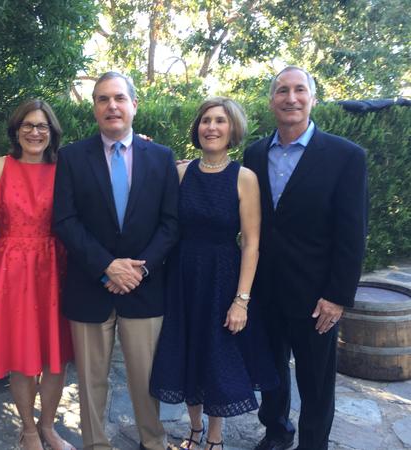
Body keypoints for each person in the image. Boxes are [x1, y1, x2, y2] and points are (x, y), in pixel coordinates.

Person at [243, 66, 368, 450]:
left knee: (315, 381)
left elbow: (352, 232)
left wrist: (338, 295)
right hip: (265, 290)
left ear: (312, 98)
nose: (291, 98)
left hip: (317, 296)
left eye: (299, 90)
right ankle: (277, 431)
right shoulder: (255, 153)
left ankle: (314, 443)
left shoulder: (346, 156)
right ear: (271, 101)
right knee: (271, 372)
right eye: (282, 91)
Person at [53, 71, 180, 450]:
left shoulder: (161, 157)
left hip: (144, 286)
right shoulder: (72, 157)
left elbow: (171, 224)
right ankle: (96, 444)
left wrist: (137, 269)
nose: (112, 105)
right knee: (91, 381)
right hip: (90, 286)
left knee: (145, 379)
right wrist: (107, 265)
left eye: (119, 98)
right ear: (94, 108)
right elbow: (64, 219)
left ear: (134, 105)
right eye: (103, 99)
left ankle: (153, 442)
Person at [150, 97, 278, 450]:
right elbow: (151, 197)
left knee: (216, 354)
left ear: (232, 129)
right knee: (188, 350)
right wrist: (145, 148)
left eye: (220, 121)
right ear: (198, 128)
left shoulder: (245, 178)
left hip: (223, 277)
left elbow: (252, 243)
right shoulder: (180, 172)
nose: (211, 127)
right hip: (182, 276)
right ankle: (194, 429)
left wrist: (242, 301)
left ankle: (216, 437)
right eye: (206, 120)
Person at [0, 99, 74, 450]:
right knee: (21, 355)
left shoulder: (66, 168)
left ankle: (48, 426)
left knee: (55, 355)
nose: (35, 132)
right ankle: (28, 430)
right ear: (16, 131)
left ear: (52, 133)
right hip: (11, 271)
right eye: (28, 126)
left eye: (42, 126)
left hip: (55, 268)